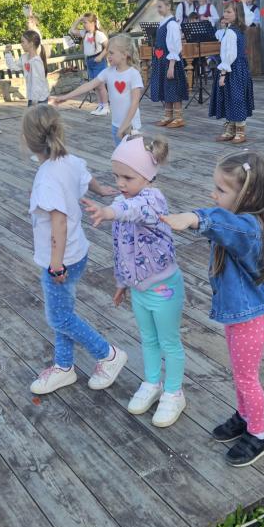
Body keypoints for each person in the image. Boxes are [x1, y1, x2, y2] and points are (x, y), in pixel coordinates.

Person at [161, 151, 264, 467]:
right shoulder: (239, 223)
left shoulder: (249, 228)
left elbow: (224, 225)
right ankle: (244, 416)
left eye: (221, 189)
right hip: (241, 317)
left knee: (246, 378)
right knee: (240, 374)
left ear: (248, 195)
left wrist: (194, 218)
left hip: (250, 318)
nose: (214, 195)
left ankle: (259, 433)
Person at [81, 134, 186, 427]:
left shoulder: (152, 200)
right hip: (139, 289)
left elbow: (132, 212)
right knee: (148, 339)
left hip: (164, 288)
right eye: (116, 176)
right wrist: (121, 282)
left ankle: (174, 392)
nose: (120, 183)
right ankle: (152, 383)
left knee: (169, 341)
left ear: (148, 175)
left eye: (127, 177)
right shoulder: (123, 200)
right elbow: (122, 249)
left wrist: (108, 211)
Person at [22, 105, 127, 395]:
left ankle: (108, 354)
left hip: (62, 260)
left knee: (59, 317)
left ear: (28, 140)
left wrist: (56, 264)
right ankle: (64, 367)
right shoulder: (68, 161)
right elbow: (85, 174)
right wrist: (100, 190)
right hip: (77, 252)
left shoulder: (47, 177)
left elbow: (59, 222)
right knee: (62, 310)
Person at [52, 33, 144, 145]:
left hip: (131, 126)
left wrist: (124, 126)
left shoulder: (133, 74)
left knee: (132, 155)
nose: (108, 56)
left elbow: (134, 103)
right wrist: (65, 97)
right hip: (116, 125)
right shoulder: (108, 72)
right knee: (120, 154)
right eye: (108, 52)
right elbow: (89, 85)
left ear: (124, 55)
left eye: (111, 53)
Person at [209, 0, 253, 144]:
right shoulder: (235, 30)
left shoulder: (231, 33)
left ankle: (240, 131)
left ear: (237, 14)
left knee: (236, 98)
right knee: (232, 97)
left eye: (229, 12)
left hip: (232, 70)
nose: (225, 14)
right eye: (225, 12)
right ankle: (231, 128)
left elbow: (229, 55)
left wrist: (223, 74)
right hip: (239, 68)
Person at [150, 0, 187, 128]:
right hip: (162, 61)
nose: (158, 9)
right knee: (166, 88)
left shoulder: (172, 24)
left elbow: (175, 46)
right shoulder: (163, 22)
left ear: (168, 6)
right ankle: (168, 115)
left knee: (173, 88)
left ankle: (178, 118)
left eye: (160, 7)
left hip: (171, 62)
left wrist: (171, 66)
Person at [69, 13, 110, 116]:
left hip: (98, 61)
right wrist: (79, 19)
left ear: (93, 23)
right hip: (89, 61)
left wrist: (100, 56)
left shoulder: (99, 34)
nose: (84, 25)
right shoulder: (84, 33)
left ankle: (106, 107)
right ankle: (100, 105)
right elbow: (72, 30)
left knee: (101, 86)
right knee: (95, 86)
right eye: (83, 23)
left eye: (85, 22)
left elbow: (108, 47)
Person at [20, 29, 50, 106]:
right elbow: (14, 66)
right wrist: (7, 53)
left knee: (35, 115)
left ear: (31, 44)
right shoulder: (25, 57)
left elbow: (37, 83)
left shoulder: (36, 62)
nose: (21, 44)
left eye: (23, 42)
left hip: (39, 99)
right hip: (32, 98)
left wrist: (34, 101)